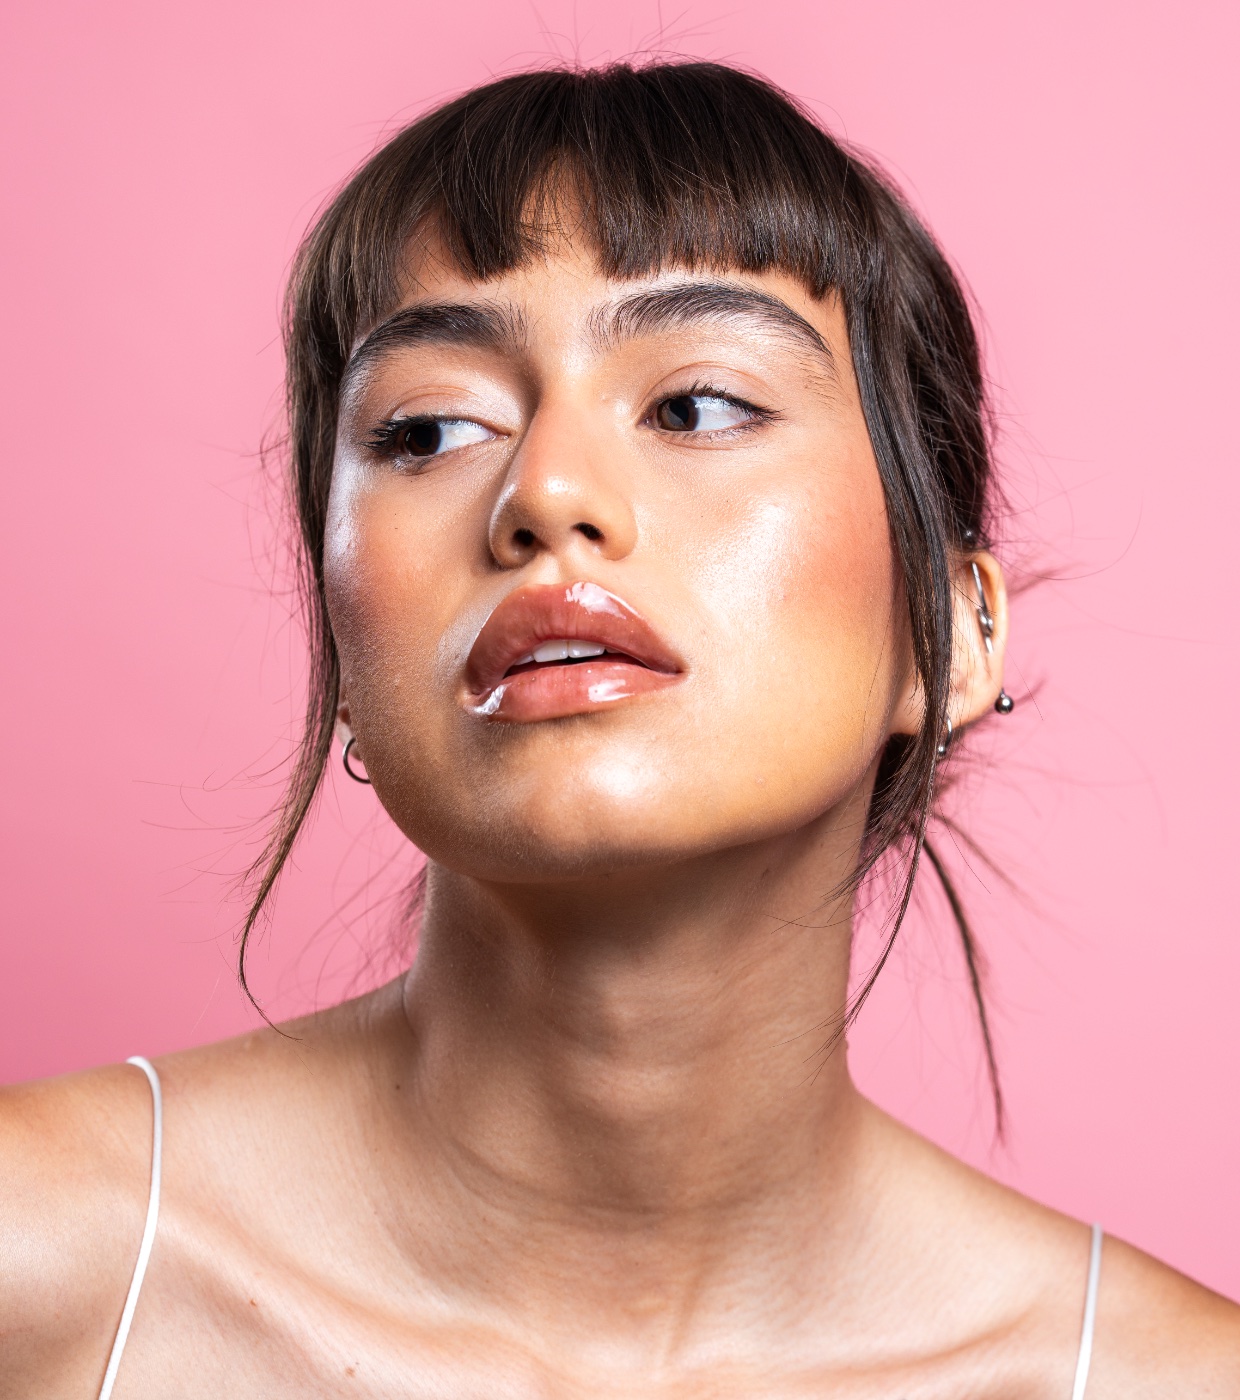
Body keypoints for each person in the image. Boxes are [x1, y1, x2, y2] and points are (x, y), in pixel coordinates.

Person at [2, 61, 1237, 1399]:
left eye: (696, 406)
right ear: (341, 647)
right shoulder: (43, 1266)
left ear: (952, 627)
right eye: (428, 430)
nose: (547, 493)